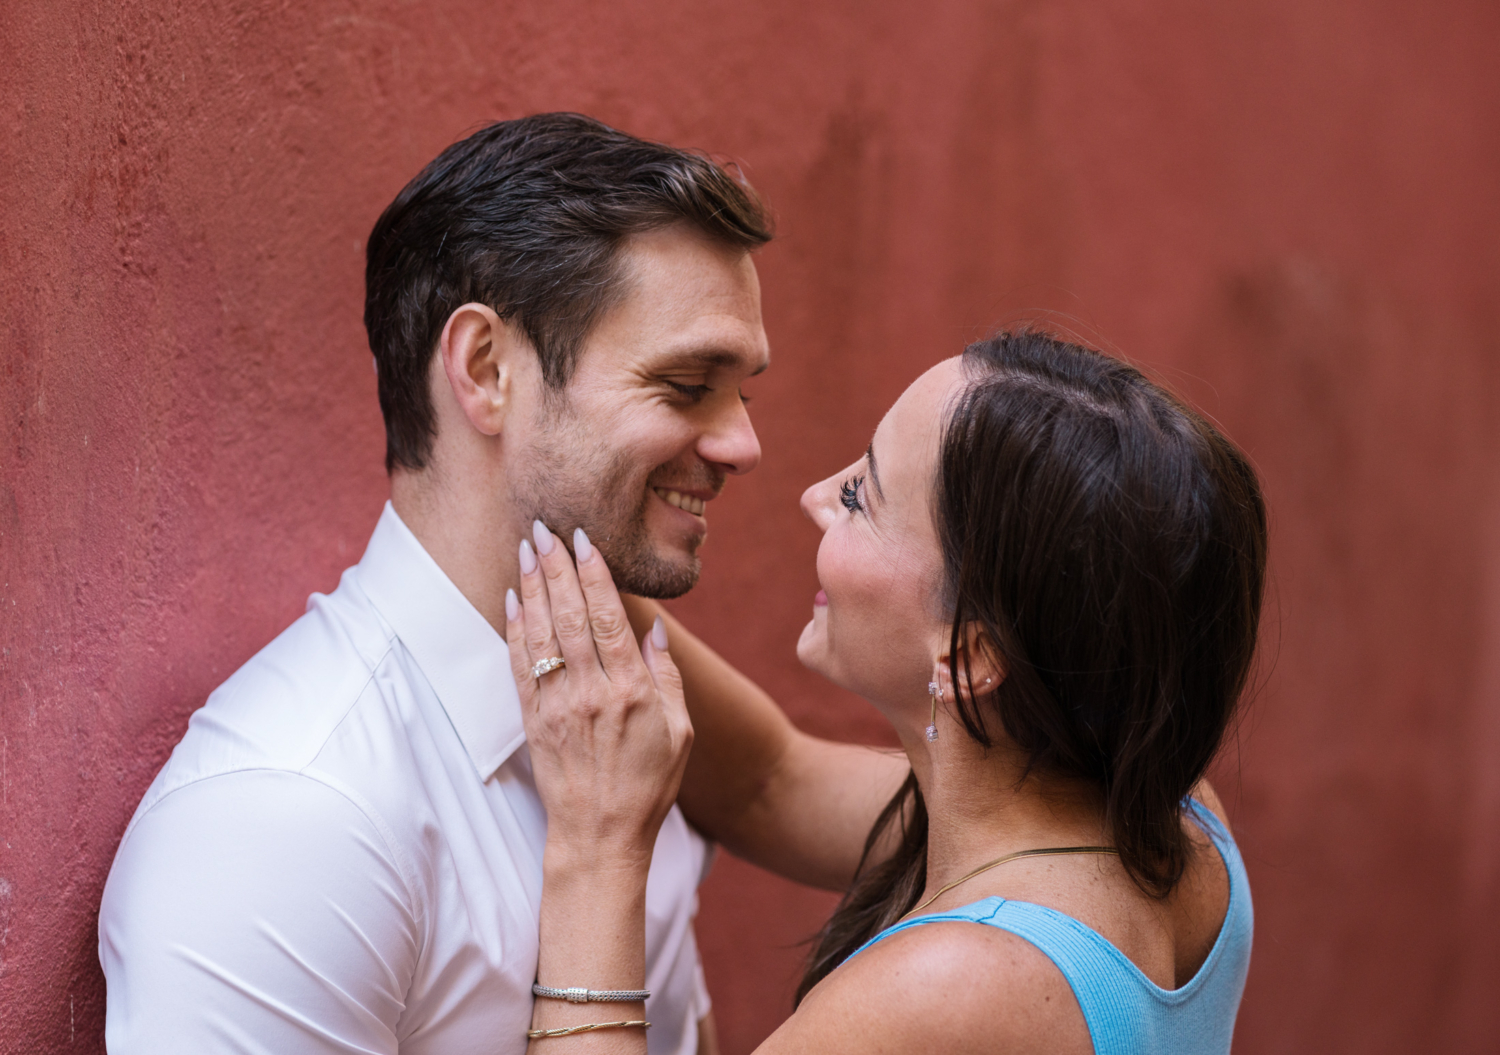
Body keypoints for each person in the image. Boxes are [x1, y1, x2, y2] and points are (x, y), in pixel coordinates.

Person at [97, 113, 772, 1054]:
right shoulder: (286, 819)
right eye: (687, 384)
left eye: (745, 392)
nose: (745, 443)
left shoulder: (620, 694)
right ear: (488, 371)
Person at [508, 331, 1266, 1053]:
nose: (814, 494)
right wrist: (550, 523)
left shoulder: (952, 986)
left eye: (859, 499)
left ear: (968, 655)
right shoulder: (1177, 822)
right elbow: (770, 782)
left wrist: (597, 847)